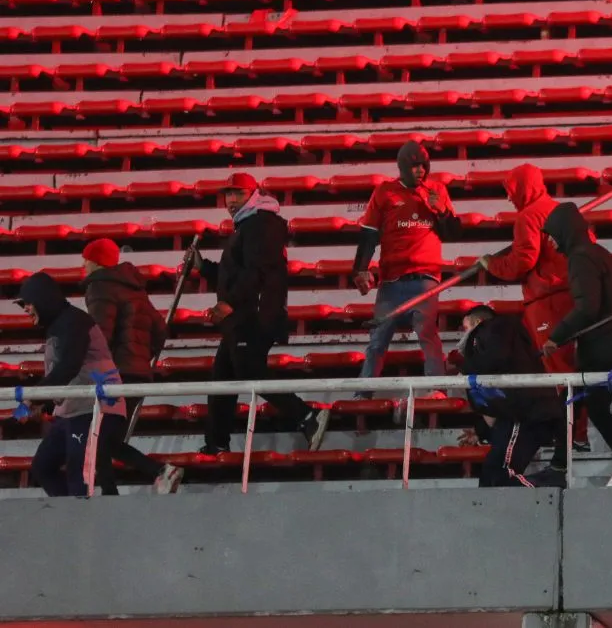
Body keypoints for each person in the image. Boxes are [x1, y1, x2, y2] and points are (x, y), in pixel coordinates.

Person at [190, 172, 330, 455]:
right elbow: (237, 273)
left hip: (253, 315)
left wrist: (228, 302)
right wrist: (204, 268)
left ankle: (306, 415)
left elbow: (256, 272)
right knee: (222, 379)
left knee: (247, 370)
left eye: (237, 194)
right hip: (243, 316)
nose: (231, 200)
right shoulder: (247, 225)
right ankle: (216, 443)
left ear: (253, 194)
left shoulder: (261, 224)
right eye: (227, 194)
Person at [476, 164, 589, 451]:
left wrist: (492, 264)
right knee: (573, 368)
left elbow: (523, 260)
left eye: (511, 191)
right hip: (573, 295)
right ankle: (576, 431)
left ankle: (569, 435)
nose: (510, 199)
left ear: (523, 187)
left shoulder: (529, 216)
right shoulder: (560, 211)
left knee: (558, 370)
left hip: (548, 300)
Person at [541, 203, 612, 460]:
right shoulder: (606, 255)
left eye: (551, 233)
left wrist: (555, 337)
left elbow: (587, 307)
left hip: (600, 348)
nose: (548, 240)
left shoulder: (581, 258)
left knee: (579, 405)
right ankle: (564, 464)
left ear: (564, 231)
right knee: (587, 406)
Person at [352, 141, 460, 399]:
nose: (420, 171)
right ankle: (363, 393)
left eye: (424, 165)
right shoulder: (384, 192)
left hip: (426, 277)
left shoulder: (437, 191)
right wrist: (360, 268)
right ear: (402, 167)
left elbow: (453, 232)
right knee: (378, 339)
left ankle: (438, 391)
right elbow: (368, 234)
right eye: (414, 166)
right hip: (391, 279)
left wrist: (442, 211)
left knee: (427, 333)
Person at [82, 238, 184, 494]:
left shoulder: (100, 287)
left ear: (93, 261)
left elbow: (99, 336)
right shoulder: (135, 288)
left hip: (113, 375)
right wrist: (140, 356)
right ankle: (114, 491)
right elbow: (160, 329)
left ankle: (154, 474)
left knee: (100, 439)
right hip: (137, 374)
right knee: (106, 440)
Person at [16, 272, 128, 497]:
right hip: (71, 410)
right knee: (43, 466)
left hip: (90, 408)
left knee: (80, 469)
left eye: (28, 303)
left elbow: (68, 366)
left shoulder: (74, 321)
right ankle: (71, 515)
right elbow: (62, 372)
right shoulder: (59, 325)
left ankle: (82, 520)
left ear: (43, 299)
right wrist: (44, 403)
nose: (26, 309)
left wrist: (35, 397)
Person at [457, 305, 563, 487]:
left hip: (523, 415)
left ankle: (549, 489)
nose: (464, 335)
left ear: (477, 322)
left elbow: (495, 362)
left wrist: (467, 369)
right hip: (522, 414)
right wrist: (482, 430)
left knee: (500, 475)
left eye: (466, 328)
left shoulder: (492, 329)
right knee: (491, 477)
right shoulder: (509, 337)